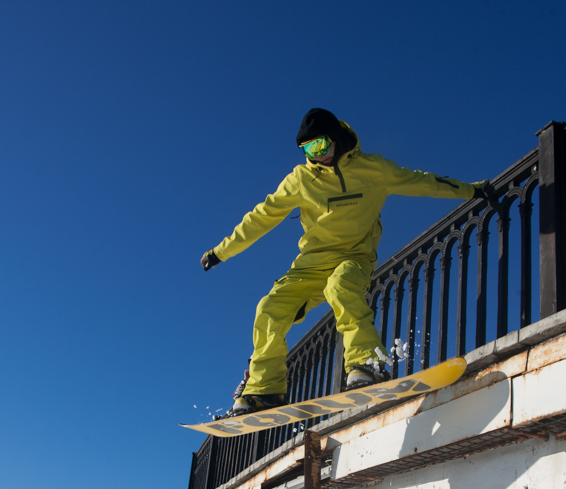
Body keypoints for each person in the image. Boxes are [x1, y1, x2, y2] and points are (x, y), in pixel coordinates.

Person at [201, 108, 496, 415]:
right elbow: (261, 217)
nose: (319, 156)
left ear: (337, 139)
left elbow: (424, 182)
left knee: (340, 287)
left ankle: (367, 364)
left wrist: (471, 190)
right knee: (269, 309)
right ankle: (265, 389)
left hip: (355, 257)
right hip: (311, 264)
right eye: (309, 150)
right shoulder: (300, 179)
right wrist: (220, 252)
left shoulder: (374, 169)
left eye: (322, 146)